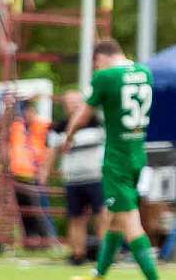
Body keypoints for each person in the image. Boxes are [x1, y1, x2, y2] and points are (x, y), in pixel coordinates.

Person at [68, 39, 167, 280]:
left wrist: (68, 134)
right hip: (137, 154)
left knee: (129, 221)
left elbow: (84, 114)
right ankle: (98, 278)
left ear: (99, 58)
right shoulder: (145, 72)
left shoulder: (105, 77)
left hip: (116, 160)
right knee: (113, 220)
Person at [39, 90, 109, 266]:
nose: (75, 106)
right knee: (75, 218)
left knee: (102, 216)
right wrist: (45, 171)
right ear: (65, 106)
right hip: (73, 180)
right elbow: (52, 152)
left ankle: (105, 255)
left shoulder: (97, 122)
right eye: (71, 103)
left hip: (95, 177)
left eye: (78, 102)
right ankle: (78, 255)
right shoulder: (58, 128)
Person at [8, 99, 55, 244]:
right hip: (17, 174)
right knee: (24, 212)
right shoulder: (15, 127)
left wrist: (44, 171)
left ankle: (49, 239)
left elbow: (50, 149)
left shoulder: (42, 126)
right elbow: (9, 146)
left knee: (39, 210)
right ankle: (30, 240)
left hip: (34, 175)